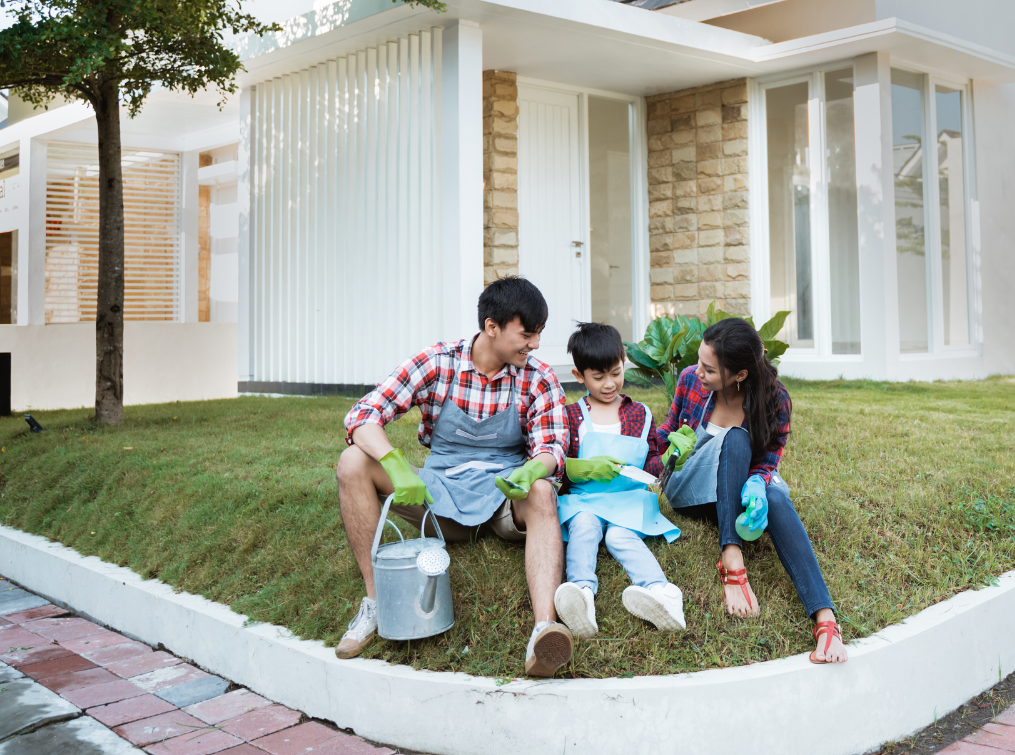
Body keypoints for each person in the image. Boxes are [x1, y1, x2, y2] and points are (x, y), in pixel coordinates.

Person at [333, 276, 575, 677]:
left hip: (502, 498)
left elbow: (552, 446)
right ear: (491, 327)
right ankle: (377, 604)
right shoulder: (437, 362)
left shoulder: (539, 377)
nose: (534, 345)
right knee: (352, 461)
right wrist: (394, 463)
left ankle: (543, 631)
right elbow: (362, 416)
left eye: (538, 335)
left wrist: (534, 469)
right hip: (437, 498)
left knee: (542, 491)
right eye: (527, 334)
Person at [657, 316, 848, 664]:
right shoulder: (689, 380)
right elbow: (665, 435)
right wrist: (665, 449)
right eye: (700, 362)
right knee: (735, 436)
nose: (698, 371)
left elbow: (768, 461)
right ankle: (731, 556)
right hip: (689, 488)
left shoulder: (776, 399)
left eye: (710, 369)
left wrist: (758, 482)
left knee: (774, 493)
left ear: (739, 374)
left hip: (737, 493)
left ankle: (826, 621)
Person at [552, 322, 697, 637]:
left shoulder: (640, 415)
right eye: (598, 376)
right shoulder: (571, 417)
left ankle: (664, 594)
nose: (609, 384)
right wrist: (583, 468)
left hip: (629, 500)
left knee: (620, 537)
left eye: (615, 373)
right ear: (579, 376)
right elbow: (558, 467)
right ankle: (581, 595)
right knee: (585, 526)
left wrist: (674, 456)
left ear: (623, 365)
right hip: (585, 500)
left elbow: (651, 466)